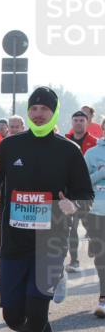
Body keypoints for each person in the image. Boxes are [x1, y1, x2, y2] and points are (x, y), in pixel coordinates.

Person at [0, 87, 94, 332]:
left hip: (50, 245)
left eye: (44, 109)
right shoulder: (10, 146)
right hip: (14, 243)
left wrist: (73, 205)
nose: (38, 114)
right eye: (34, 109)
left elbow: (86, 195)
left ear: (54, 113)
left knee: (38, 314)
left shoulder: (68, 150)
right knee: (13, 316)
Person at [64, 110, 99, 272]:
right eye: (76, 120)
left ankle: (94, 242)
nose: (78, 123)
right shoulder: (65, 141)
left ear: (87, 123)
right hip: (70, 192)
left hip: (89, 193)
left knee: (91, 225)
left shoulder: (95, 143)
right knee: (72, 227)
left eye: (81, 120)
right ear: (72, 122)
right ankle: (74, 261)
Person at [84, 132, 105, 317]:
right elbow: (83, 182)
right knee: (102, 258)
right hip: (98, 212)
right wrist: (102, 172)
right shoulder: (92, 153)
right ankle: (103, 298)